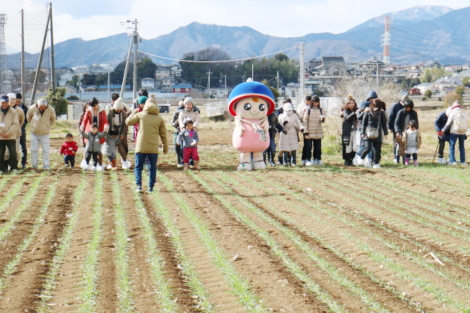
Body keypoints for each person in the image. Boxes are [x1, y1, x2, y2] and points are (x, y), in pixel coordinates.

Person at [126, 94, 168, 193]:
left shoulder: (141, 115)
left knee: (138, 167)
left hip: (141, 145)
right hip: (153, 146)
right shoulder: (159, 118)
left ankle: (139, 186)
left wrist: (134, 112)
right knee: (153, 167)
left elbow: (128, 122)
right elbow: (163, 134)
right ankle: (151, 187)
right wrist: (165, 147)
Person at [26, 98, 56, 170]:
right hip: (34, 132)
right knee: (34, 149)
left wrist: (47, 126)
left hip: (45, 133)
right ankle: (34, 165)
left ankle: (46, 165)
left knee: (45, 150)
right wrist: (33, 125)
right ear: (37, 105)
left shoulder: (50, 110)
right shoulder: (32, 108)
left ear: (46, 106)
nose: (42, 109)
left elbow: (53, 119)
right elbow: (28, 117)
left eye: (43, 107)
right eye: (40, 107)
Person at [359, 100, 388, 169]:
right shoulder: (367, 112)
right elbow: (364, 123)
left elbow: (384, 123)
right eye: (374, 105)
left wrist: (385, 133)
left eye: (377, 106)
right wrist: (362, 132)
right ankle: (361, 158)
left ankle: (376, 163)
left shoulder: (381, 113)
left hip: (377, 133)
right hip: (368, 133)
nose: (375, 107)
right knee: (367, 148)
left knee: (377, 150)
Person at [80, 98, 108, 166]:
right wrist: (82, 125)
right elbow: (85, 120)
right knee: (87, 147)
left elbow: (105, 120)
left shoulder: (102, 110)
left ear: (97, 104)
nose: (93, 108)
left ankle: (99, 164)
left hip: (99, 131)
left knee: (98, 148)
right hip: (90, 130)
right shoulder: (88, 110)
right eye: (92, 106)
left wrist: (106, 126)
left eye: (94, 106)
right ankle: (85, 162)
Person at [106, 97, 131, 169]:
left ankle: (124, 161)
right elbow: (106, 123)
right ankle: (111, 163)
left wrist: (122, 134)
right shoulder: (109, 113)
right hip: (110, 133)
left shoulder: (123, 114)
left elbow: (125, 125)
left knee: (122, 149)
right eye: (117, 110)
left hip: (119, 133)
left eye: (120, 110)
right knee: (110, 149)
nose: (118, 111)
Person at [355, 91, 378, 166]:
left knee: (369, 146)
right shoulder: (364, 104)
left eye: (373, 99)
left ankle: (368, 160)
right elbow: (359, 117)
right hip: (362, 129)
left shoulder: (375, 106)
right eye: (371, 99)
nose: (372, 100)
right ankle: (358, 157)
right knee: (362, 145)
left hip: (371, 130)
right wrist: (364, 111)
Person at [441, 101, 467, 165]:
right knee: (462, 147)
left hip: (454, 131)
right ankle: (463, 161)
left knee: (452, 147)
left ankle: (453, 161)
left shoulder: (453, 112)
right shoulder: (463, 113)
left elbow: (448, 123)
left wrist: (443, 130)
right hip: (462, 132)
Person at [394, 99, 419, 164]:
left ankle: (405, 160)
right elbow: (396, 123)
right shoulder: (400, 112)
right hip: (401, 131)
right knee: (399, 146)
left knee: (406, 147)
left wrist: (415, 131)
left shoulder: (414, 113)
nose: (407, 108)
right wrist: (397, 131)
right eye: (406, 107)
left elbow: (416, 123)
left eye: (409, 107)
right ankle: (397, 160)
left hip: (410, 133)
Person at [302, 95, 324, 166]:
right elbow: (305, 120)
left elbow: (323, 119)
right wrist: (306, 130)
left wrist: (322, 119)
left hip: (318, 131)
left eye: (317, 102)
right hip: (309, 131)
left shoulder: (320, 110)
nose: (316, 104)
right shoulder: (308, 110)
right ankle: (308, 159)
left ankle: (317, 159)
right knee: (308, 147)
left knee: (318, 147)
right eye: (315, 102)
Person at [4, 93, 24, 170]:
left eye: (14, 99)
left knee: (15, 151)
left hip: (16, 134)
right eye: (11, 99)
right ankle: (5, 166)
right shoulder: (3, 109)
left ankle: (14, 166)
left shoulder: (19, 110)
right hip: (5, 135)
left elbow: (21, 121)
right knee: (6, 152)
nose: (12, 101)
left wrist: (16, 129)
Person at [0, 95, 19, 174]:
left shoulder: (13, 111)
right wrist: (1, 133)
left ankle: (13, 168)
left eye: (5, 102)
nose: (4, 104)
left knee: (13, 153)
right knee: (0, 153)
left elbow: (15, 123)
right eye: (2, 102)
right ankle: (1, 169)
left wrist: (8, 133)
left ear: (8, 103)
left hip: (10, 136)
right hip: (0, 137)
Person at [389, 94, 408, 164]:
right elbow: (391, 117)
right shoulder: (395, 107)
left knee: (405, 142)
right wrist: (390, 127)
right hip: (395, 127)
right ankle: (395, 157)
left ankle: (405, 157)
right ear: (400, 101)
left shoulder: (407, 107)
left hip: (404, 127)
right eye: (403, 102)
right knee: (396, 142)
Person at [341, 96, 358, 166]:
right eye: (349, 103)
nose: (351, 105)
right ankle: (347, 160)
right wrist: (354, 113)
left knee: (355, 147)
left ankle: (352, 159)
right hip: (347, 132)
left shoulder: (357, 110)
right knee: (348, 147)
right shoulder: (345, 111)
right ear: (347, 105)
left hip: (355, 131)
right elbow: (347, 117)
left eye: (352, 103)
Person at [297, 96, 312, 165]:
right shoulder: (300, 106)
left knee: (309, 145)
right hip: (304, 127)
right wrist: (303, 112)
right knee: (306, 144)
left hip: (312, 126)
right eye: (307, 102)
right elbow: (298, 117)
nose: (308, 103)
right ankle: (304, 159)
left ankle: (308, 159)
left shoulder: (312, 105)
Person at [15, 93, 28, 168]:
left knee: (23, 146)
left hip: (22, 128)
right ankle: (14, 163)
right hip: (13, 130)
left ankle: (23, 162)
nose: (17, 103)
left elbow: (26, 119)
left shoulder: (25, 108)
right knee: (14, 147)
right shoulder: (11, 108)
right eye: (16, 101)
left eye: (18, 101)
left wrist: (22, 125)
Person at [172, 100, 185, 167]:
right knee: (177, 147)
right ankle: (179, 160)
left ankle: (185, 161)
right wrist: (177, 122)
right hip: (177, 131)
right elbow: (172, 123)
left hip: (185, 132)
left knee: (184, 147)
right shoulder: (176, 112)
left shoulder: (188, 112)